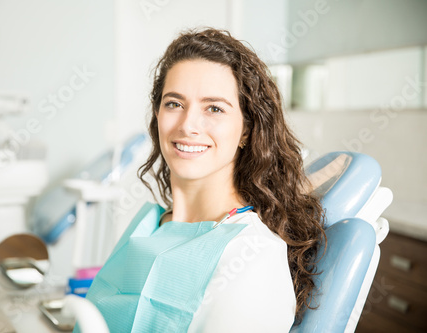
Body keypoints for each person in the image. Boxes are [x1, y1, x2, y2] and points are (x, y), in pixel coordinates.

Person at [78, 28, 326, 333]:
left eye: (214, 108)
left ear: (246, 131)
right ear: (157, 116)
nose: (188, 125)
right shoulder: (151, 224)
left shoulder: (249, 254)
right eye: (174, 104)